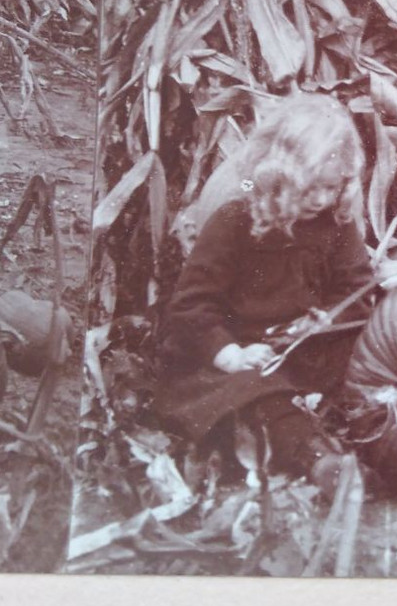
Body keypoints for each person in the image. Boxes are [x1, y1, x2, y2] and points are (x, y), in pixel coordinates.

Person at [152, 93, 374, 484]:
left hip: (302, 350)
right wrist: (229, 354)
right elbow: (191, 306)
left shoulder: (335, 225)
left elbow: (355, 291)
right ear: (277, 174)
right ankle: (315, 457)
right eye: (309, 188)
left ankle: (382, 439)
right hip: (236, 356)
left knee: (366, 366)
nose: (321, 199)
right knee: (258, 396)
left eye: (332, 188)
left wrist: (325, 321)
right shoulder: (236, 220)